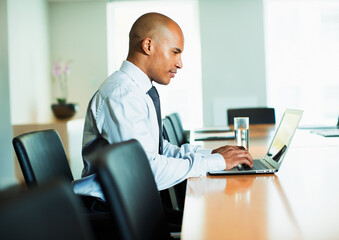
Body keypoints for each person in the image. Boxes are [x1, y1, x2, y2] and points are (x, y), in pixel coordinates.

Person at [74, 12, 253, 209]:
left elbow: (159, 150)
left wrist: (211, 155)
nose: (180, 63)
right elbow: (145, 171)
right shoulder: (123, 95)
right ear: (148, 45)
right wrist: (215, 163)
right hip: (111, 213)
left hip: (129, 204)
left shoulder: (137, 90)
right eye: (175, 52)